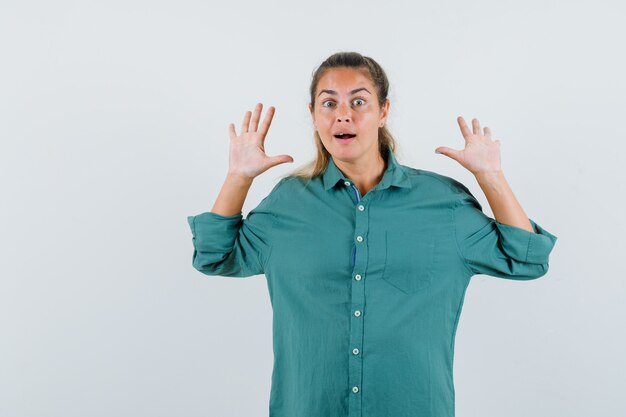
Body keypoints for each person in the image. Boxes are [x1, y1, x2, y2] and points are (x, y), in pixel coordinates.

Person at [186, 51, 558, 417]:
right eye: (328, 103)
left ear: (383, 112)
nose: (343, 114)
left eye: (358, 101)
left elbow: (527, 259)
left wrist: (490, 177)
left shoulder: (443, 203)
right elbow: (214, 256)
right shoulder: (287, 204)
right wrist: (238, 177)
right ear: (314, 117)